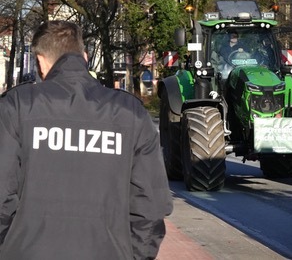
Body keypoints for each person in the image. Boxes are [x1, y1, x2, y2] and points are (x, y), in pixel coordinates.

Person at [0, 20, 172, 259]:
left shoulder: (16, 106)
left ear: (39, 61)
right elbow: (150, 207)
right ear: (85, 56)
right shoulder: (130, 113)